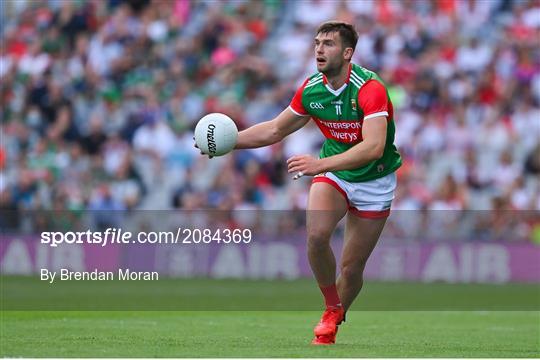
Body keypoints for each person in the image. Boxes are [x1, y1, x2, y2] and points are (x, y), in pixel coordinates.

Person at [198, 21, 401, 345]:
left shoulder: (369, 88)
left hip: (375, 181)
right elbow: (275, 130)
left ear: (348, 53)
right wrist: (229, 141)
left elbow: (373, 147)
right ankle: (331, 306)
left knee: (351, 269)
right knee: (317, 235)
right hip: (335, 173)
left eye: (329, 44)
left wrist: (318, 163)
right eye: (317, 42)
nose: (320, 49)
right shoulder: (311, 89)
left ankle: (334, 317)